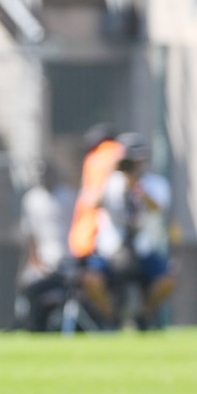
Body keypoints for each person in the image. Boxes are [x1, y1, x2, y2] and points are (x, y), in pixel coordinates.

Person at [80, 132, 175, 330]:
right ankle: (111, 317)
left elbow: (158, 208)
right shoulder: (109, 181)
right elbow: (91, 203)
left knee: (167, 280)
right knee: (91, 279)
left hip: (142, 249)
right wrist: (108, 174)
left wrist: (137, 188)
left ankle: (144, 317)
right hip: (111, 249)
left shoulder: (154, 183)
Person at [15, 160, 76, 332]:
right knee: (29, 289)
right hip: (41, 262)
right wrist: (34, 263)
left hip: (66, 261)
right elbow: (30, 235)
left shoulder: (67, 196)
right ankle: (34, 328)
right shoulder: (31, 199)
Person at [68, 123, 123, 263]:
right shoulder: (120, 152)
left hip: (94, 236)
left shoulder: (96, 158)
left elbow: (93, 200)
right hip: (119, 237)